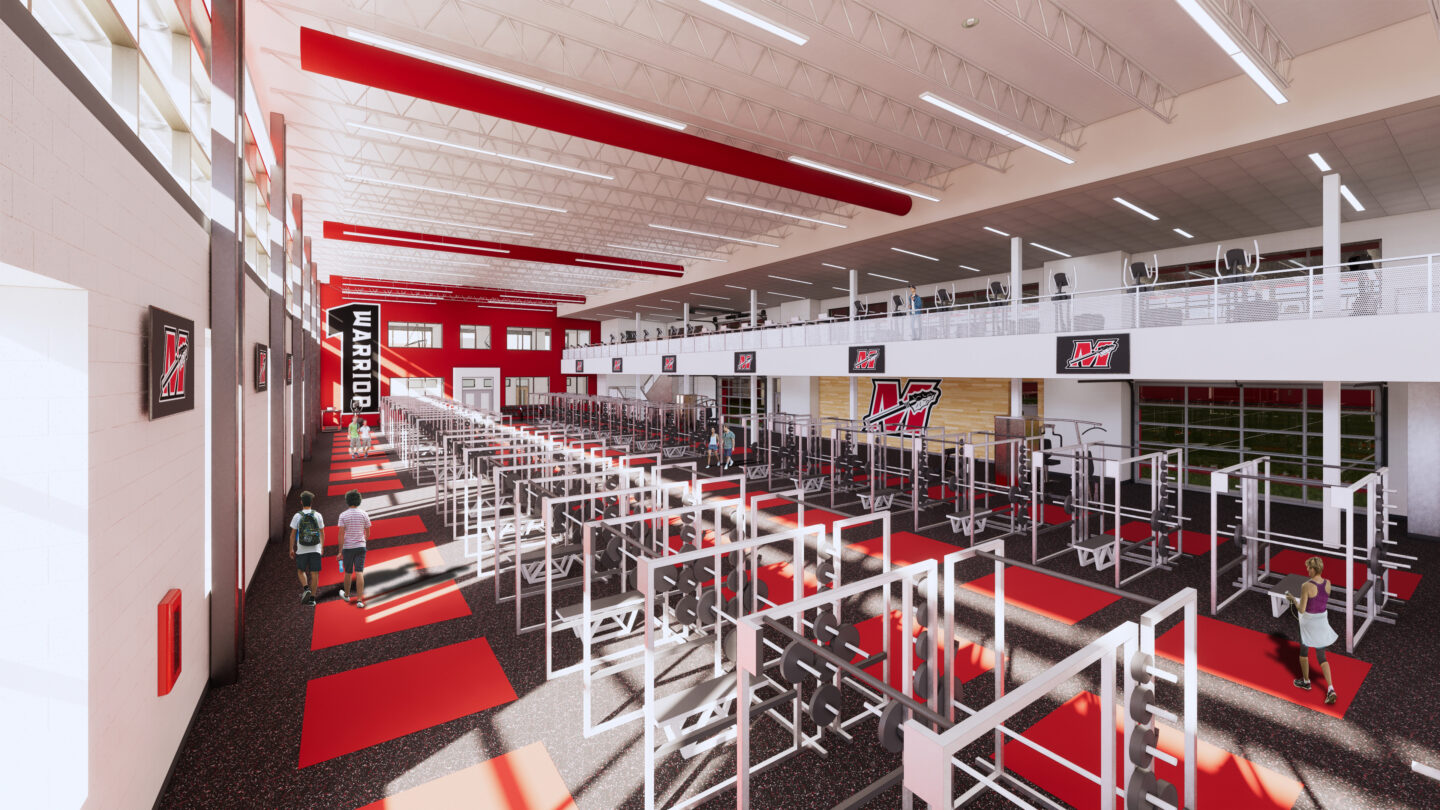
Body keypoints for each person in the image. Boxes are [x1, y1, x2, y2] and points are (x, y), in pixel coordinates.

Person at [1285, 556, 1339, 705]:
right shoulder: (1328, 583)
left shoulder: (1306, 585)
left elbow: (1301, 609)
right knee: (1322, 656)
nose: (1307, 570)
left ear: (1314, 569)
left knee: (1304, 652)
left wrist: (1292, 600)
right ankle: (1330, 688)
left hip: (1309, 622)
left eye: (1308, 568)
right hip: (1321, 621)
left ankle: (1307, 681)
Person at [336, 488, 372, 608]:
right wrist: (363, 541)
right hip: (360, 547)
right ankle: (360, 600)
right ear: (359, 501)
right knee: (359, 572)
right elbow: (368, 532)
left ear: (347, 501)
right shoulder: (364, 514)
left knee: (348, 572)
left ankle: (346, 595)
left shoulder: (343, 515)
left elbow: (341, 534)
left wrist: (340, 551)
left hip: (348, 548)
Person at [288, 491, 324, 605]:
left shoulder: (297, 516)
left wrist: (291, 549)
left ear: (301, 502)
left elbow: (292, 534)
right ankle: (312, 599)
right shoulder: (317, 515)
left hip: (301, 548)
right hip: (315, 548)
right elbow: (322, 533)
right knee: (315, 574)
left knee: (300, 571)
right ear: (311, 502)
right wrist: (321, 547)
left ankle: (306, 588)